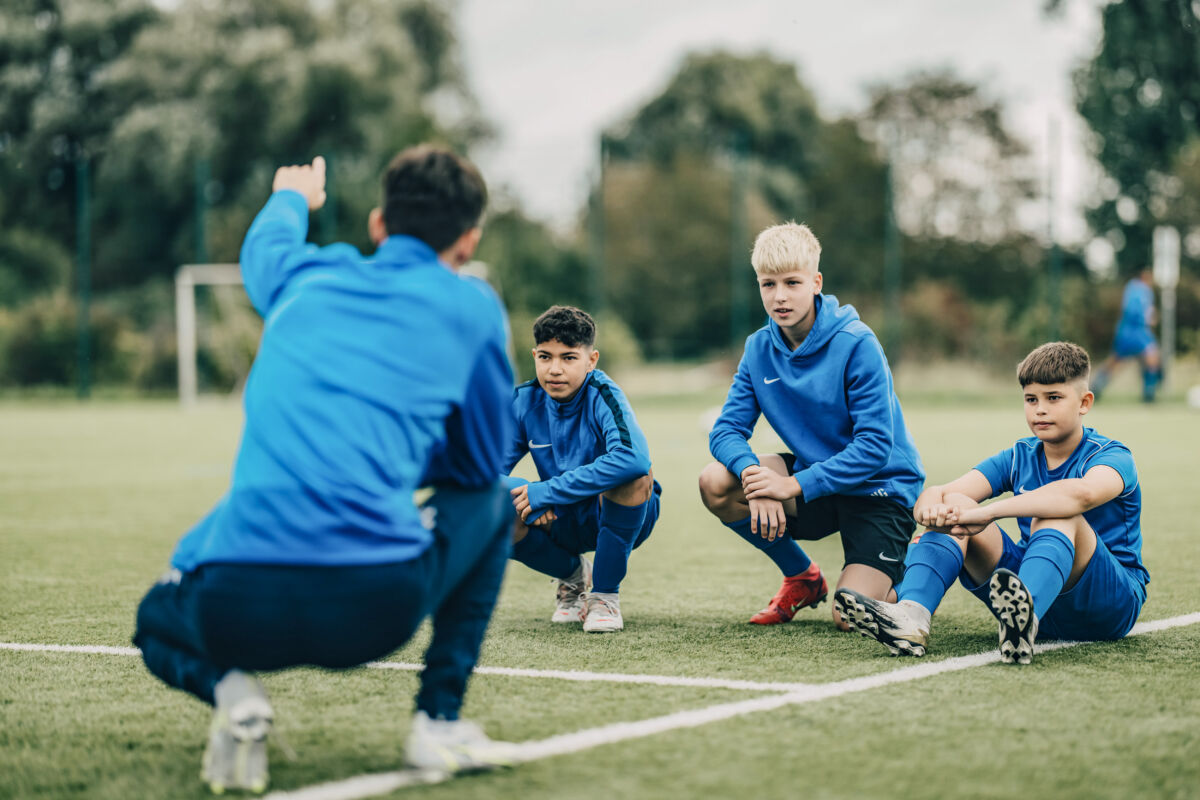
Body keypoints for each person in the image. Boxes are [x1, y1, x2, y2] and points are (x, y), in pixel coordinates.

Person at [133, 146, 518, 793]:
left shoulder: (301, 279)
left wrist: (291, 197)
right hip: (373, 609)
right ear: (468, 241)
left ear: (377, 225)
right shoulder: (472, 307)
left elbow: (266, 248)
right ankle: (437, 722)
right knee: (492, 499)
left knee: (154, 619)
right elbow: (481, 462)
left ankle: (231, 692)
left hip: (236, 603)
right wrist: (405, 453)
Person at [835, 342, 1149, 664]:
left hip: (1109, 605)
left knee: (1056, 514)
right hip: (1034, 593)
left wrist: (988, 512)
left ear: (1084, 402)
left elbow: (1079, 496)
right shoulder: (1019, 456)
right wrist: (930, 507)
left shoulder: (1112, 456)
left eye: (1053, 398)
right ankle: (911, 615)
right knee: (956, 504)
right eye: (1031, 399)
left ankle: (1026, 612)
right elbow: (943, 492)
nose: (1039, 409)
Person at [698, 222, 925, 629]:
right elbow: (726, 429)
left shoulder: (858, 343)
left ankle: (923, 565)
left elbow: (874, 446)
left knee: (848, 616)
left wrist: (790, 486)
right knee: (716, 482)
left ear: (816, 282)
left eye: (792, 282)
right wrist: (754, 478)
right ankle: (802, 577)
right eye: (768, 284)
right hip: (813, 482)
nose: (780, 296)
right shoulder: (758, 348)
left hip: (879, 489)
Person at [504, 305, 660, 633]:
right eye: (545, 357)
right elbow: (480, 472)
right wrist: (522, 491)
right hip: (562, 515)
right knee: (494, 507)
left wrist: (548, 491)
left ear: (592, 360)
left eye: (569, 357)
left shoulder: (602, 394)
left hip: (621, 512)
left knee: (633, 477)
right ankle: (574, 577)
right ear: (534, 356)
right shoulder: (523, 401)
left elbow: (633, 458)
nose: (555, 369)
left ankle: (604, 596)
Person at [1092, 267, 1161, 402]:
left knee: (1151, 358)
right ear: (1145, 275)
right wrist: (1147, 317)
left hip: (1136, 331)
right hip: (1132, 331)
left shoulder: (1143, 290)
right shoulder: (1137, 288)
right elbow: (1132, 310)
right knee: (1117, 361)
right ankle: (1096, 388)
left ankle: (1149, 394)